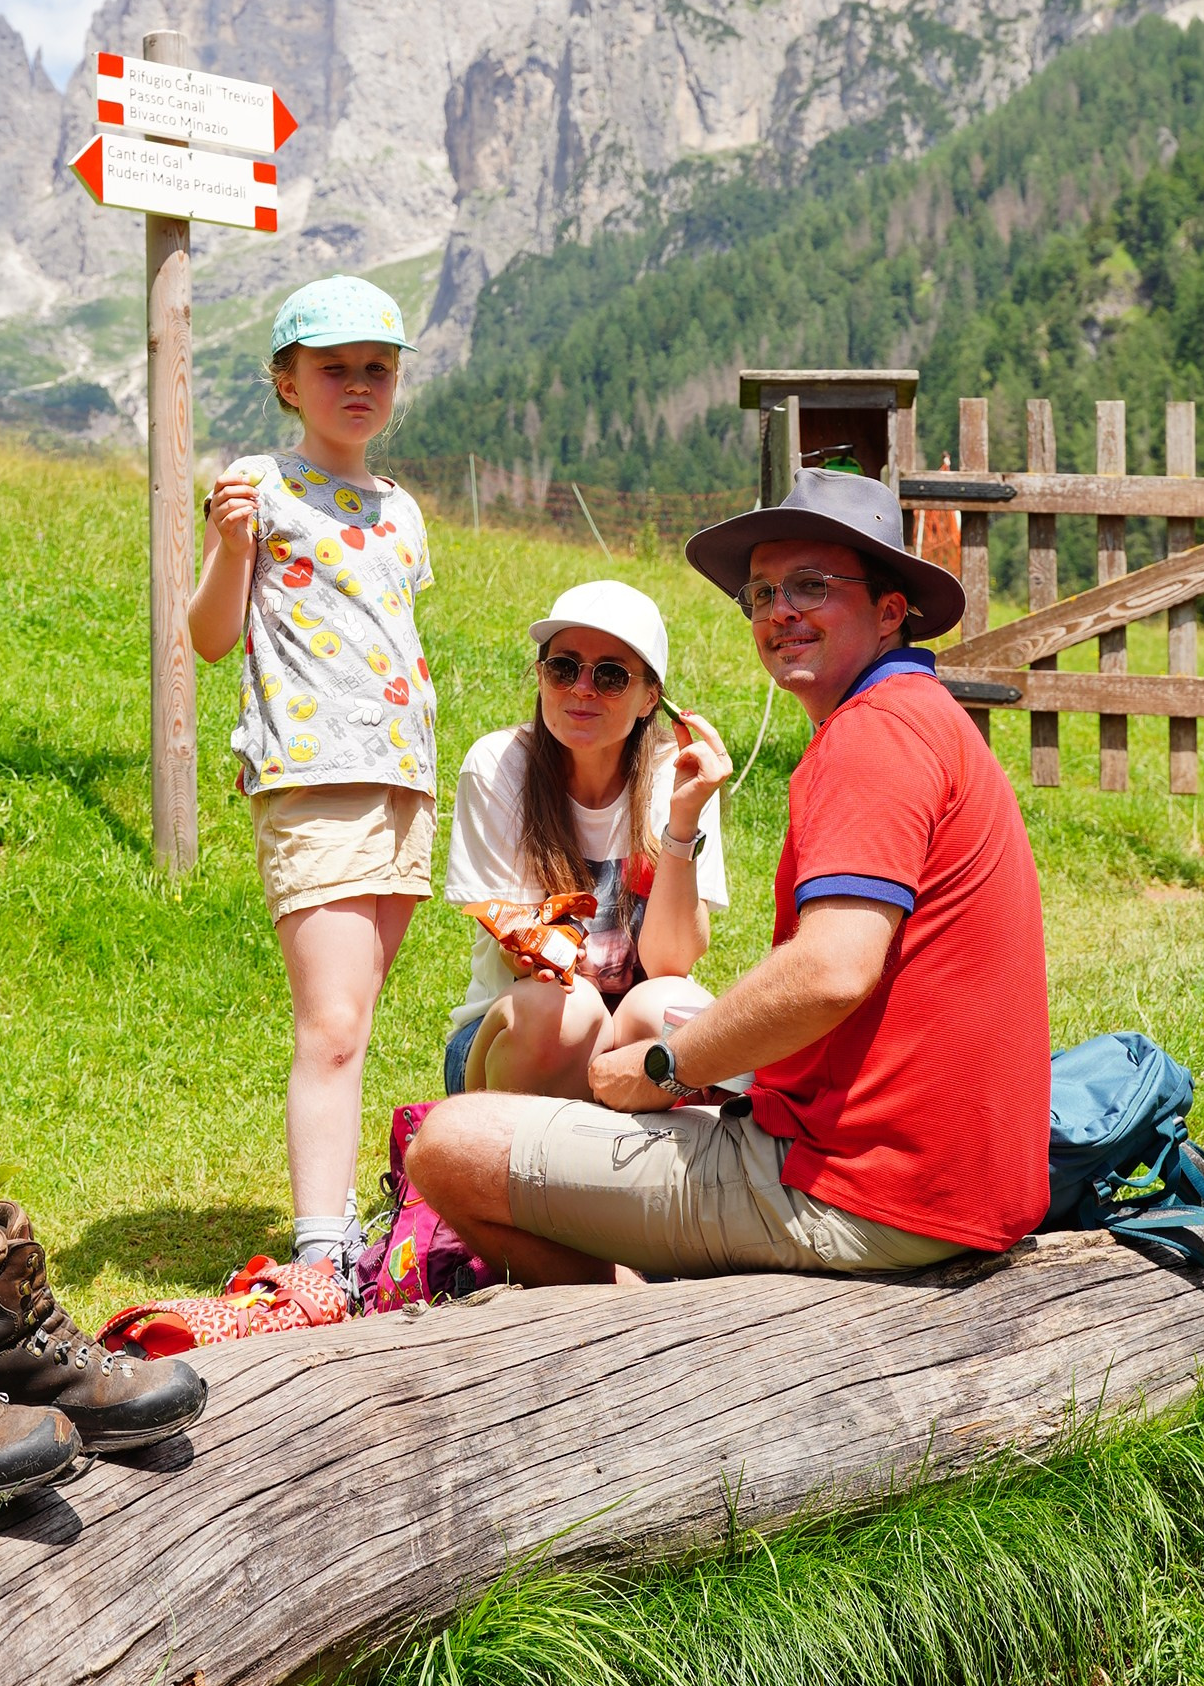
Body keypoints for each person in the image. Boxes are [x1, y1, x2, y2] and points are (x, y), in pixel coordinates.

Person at [408, 467, 1050, 1286]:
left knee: (449, 1147)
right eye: (762, 593)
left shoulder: (872, 738)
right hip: (945, 1176)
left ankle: (624, 1350)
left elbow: (830, 970)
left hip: (862, 1187)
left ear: (891, 610)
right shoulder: (920, 718)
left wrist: (662, 1067)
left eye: (812, 586)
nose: (781, 611)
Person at [190, 274, 435, 1293]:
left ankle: (337, 1217)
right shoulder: (260, 482)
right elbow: (208, 638)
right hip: (308, 769)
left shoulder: (402, 507)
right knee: (328, 1022)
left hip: (400, 778)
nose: (358, 384)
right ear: (286, 381)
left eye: (375, 367)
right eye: (333, 367)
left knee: (355, 1018)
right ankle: (320, 1247)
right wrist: (228, 541)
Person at [442, 582, 733, 1099]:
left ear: (650, 699)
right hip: (508, 1033)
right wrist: (540, 951)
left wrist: (683, 819)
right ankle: (494, 1170)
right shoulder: (498, 765)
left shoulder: (679, 777)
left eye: (611, 676)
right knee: (567, 1009)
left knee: (670, 1007)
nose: (581, 689)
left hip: (624, 1036)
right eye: (563, 667)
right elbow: (519, 957)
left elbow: (671, 962)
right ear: (540, 676)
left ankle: (646, 1178)